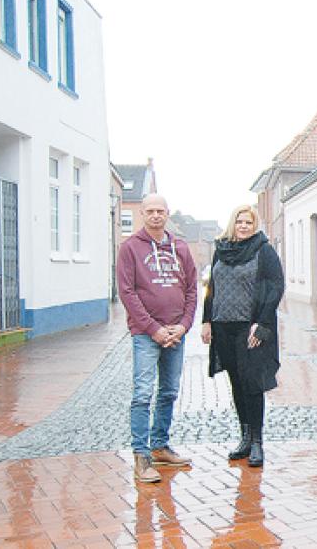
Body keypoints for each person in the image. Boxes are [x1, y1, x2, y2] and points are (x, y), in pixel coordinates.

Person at [117, 194, 197, 483]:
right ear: (142, 213)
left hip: (176, 333)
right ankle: (141, 455)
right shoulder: (130, 248)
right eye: (150, 211)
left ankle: (160, 446)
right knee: (142, 393)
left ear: (167, 213)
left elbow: (191, 290)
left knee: (169, 392)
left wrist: (184, 326)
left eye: (159, 211)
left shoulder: (181, 248)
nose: (155, 215)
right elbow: (127, 293)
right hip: (146, 334)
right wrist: (154, 329)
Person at [201, 205, 284, 468]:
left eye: (249, 222)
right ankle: (245, 438)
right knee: (236, 382)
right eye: (240, 222)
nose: (244, 226)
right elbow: (211, 287)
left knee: (252, 383)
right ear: (233, 224)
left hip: (249, 328)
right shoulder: (221, 250)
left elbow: (276, 287)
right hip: (223, 326)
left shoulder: (263, 250)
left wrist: (262, 324)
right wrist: (206, 320)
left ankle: (258, 442)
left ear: (254, 225)